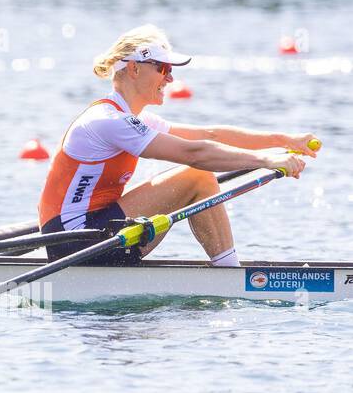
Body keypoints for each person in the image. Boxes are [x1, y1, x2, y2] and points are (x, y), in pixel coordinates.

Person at [38, 24, 315, 266]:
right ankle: (232, 277)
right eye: (163, 68)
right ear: (133, 68)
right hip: (74, 241)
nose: (170, 78)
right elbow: (193, 154)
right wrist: (267, 161)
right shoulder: (108, 120)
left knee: (196, 176)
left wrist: (284, 141)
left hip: (93, 232)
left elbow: (210, 135)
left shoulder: (131, 118)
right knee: (197, 177)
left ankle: (230, 272)